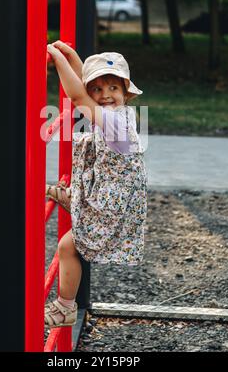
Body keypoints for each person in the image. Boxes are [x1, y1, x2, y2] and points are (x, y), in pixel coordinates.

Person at [44, 41, 147, 328]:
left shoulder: (115, 124)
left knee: (68, 247)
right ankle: (76, 199)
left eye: (113, 89)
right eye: (99, 89)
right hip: (106, 191)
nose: (105, 96)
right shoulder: (119, 112)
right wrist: (72, 57)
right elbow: (85, 85)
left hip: (113, 205)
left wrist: (54, 56)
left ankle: (65, 307)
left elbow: (78, 96)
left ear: (126, 93)